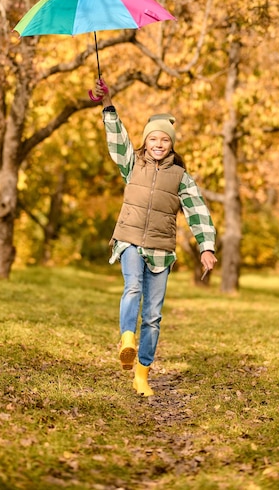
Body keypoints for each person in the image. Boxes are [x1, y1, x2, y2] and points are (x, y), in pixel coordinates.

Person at [95, 78, 217, 397]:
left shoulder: (181, 177)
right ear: (146, 142)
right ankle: (126, 340)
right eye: (153, 139)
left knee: (152, 316)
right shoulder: (132, 164)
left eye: (165, 140)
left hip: (161, 250)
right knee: (132, 286)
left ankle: (143, 373)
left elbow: (198, 212)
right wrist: (108, 106)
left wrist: (206, 247)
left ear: (171, 144)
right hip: (130, 239)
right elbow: (118, 139)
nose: (158, 144)